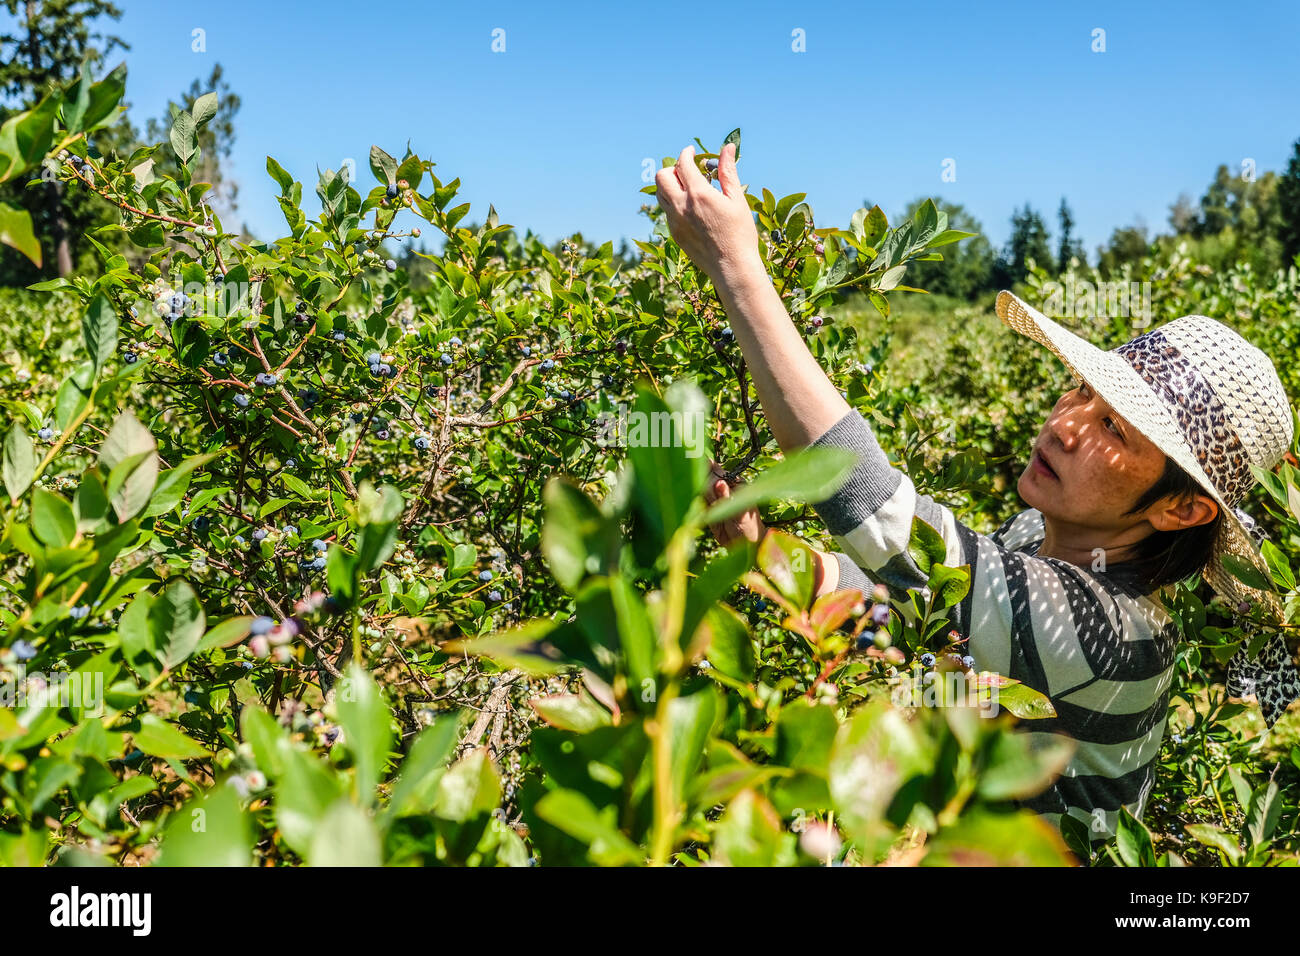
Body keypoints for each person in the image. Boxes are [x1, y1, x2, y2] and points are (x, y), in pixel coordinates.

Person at [657, 141, 1300, 845]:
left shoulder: (1113, 631)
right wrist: (767, 553)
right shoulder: (1037, 537)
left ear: (1181, 508)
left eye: (1115, 429)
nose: (1065, 425)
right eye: (1082, 392)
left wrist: (738, 272)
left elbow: (889, 522)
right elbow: (918, 609)